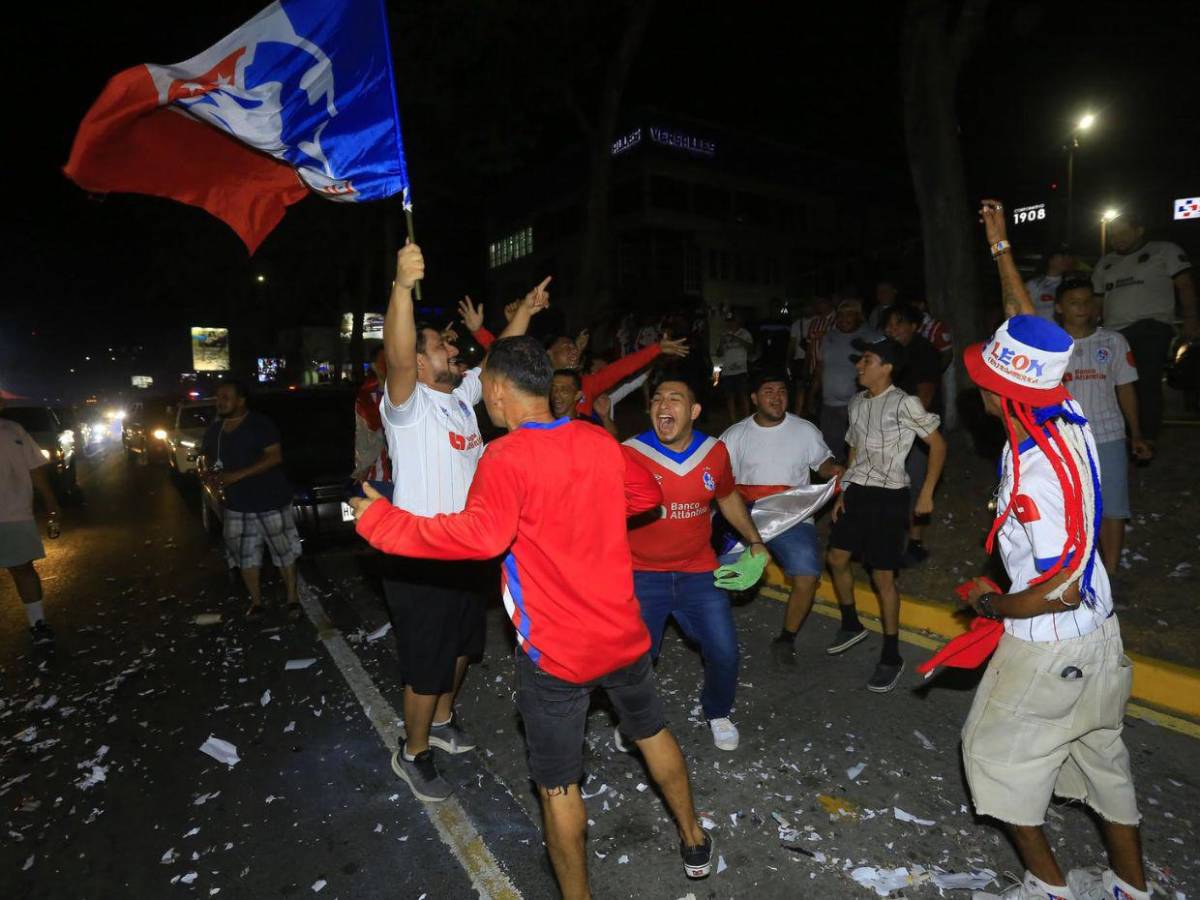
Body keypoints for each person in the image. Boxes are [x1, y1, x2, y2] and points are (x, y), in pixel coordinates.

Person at [350, 336, 714, 897]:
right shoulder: (596, 440)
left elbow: (478, 537)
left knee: (559, 787)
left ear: (497, 390)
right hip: (624, 636)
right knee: (651, 732)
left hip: (556, 658)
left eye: (485, 390)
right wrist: (584, 502)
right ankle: (694, 839)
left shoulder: (506, 455)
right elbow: (644, 496)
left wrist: (381, 522)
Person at [959, 200, 1148, 900]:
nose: (977, 388)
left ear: (1004, 393)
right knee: (1104, 760)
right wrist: (1002, 247)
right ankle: (1134, 890)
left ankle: (1050, 887)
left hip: (1051, 643)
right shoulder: (1060, 407)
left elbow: (1059, 586)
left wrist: (992, 601)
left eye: (984, 382)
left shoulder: (1038, 474)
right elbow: (1033, 331)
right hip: (1103, 636)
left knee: (989, 758)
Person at [375, 242, 547, 802]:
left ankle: (442, 723)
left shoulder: (460, 398)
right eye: (440, 345)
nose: (453, 347)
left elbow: (500, 361)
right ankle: (413, 751)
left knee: (460, 648)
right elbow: (398, 357)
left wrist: (526, 312)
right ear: (421, 364)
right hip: (419, 558)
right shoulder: (406, 405)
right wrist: (402, 287)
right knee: (426, 662)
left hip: (468, 552)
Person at [623, 373, 768, 751]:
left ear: (695, 411)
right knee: (636, 658)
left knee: (724, 650)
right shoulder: (629, 453)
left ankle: (718, 711)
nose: (663, 405)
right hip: (641, 574)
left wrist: (755, 541)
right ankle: (634, 721)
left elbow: (727, 497)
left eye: (675, 398)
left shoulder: (714, 452)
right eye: (657, 399)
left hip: (698, 571)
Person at [825, 335, 946, 692]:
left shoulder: (904, 403)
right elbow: (854, 449)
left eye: (867, 360)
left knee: (882, 578)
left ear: (887, 366)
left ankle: (891, 654)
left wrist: (926, 493)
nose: (859, 366)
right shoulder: (857, 403)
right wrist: (842, 492)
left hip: (889, 496)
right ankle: (851, 623)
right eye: (860, 360)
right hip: (858, 492)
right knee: (836, 557)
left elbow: (938, 445)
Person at [717, 372, 844, 660]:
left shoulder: (805, 430)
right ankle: (718, 637)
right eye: (768, 391)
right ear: (754, 398)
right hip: (745, 520)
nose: (776, 397)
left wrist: (832, 470)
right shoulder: (735, 435)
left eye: (782, 391)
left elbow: (823, 463)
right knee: (716, 577)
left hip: (792, 518)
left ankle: (786, 639)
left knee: (808, 576)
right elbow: (719, 482)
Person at [1055, 276, 1152, 576]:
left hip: (1108, 436)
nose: (1083, 307)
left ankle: (1108, 575)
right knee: (1070, 506)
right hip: (1066, 438)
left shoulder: (1113, 341)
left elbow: (1126, 389)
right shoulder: (1052, 346)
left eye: (1088, 301)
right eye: (1074, 302)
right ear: (1059, 308)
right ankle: (1076, 569)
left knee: (1112, 508)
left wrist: (1135, 433)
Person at [200, 380, 301, 621]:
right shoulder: (215, 430)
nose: (220, 402)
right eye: (218, 397)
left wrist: (237, 475)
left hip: (270, 501)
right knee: (244, 555)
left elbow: (274, 457)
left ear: (241, 400)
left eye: (226, 397)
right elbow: (207, 458)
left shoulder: (260, 424)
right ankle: (256, 602)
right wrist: (209, 475)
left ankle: (292, 599)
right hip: (236, 506)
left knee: (284, 551)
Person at [1092, 211, 1197, 443]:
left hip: (1151, 327)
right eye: (1113, 234)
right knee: (1115, 383)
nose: (1117, 238)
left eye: (1123, 232)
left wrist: (1191, 318)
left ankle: (1147, 437)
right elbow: (1097, 301)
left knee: (1146, 381)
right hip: (1113, 332)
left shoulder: (1165, 250)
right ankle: (1124, 433)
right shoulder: (1105, 262)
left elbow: (1185, 285)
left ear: (1139, 230)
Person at [883, 304, 945, 566]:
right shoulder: (892, 352)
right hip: (895, 428)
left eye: (898, 323)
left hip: (918, 433)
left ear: (914, 326)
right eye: (888, 324)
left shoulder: (923, 351)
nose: (891, 329)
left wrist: (906, 430)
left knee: (916, 486)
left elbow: (925, 395)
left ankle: (916, 543)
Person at [0, 402, 61, 646]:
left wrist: (52, 503)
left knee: (22, 569)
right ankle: (38, 625)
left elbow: (34, 469)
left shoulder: (13, 430)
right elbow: (35, 470)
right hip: (15, 514)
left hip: (14, 512)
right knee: (23, 569)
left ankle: (38, 623)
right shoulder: (13, 429)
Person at [543, 330, 689, 419]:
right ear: (549, 354)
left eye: (573, 347)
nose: (573, 350)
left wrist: (657, 349)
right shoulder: (537, 387)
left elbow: (621, 368)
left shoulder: (587, 384)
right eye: (566, 347)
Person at [808, 299, 879, 459]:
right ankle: (836, 482)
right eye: (840, 315)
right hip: (831, 404)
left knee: (863, 450)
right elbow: (820, 367)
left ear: (858, 316)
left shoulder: (871, 336)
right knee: (831, 452)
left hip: (862, 403)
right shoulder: (829, 337)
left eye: (849, 315)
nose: (844, 319)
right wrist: (812, 394)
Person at [353, 344, 390, 481]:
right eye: (385, 361)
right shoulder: (366, 398)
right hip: (380, 478)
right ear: (375, 366)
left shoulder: (410, 392)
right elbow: (365, 438)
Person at [716, 313, 755, 423]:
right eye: (728, 321)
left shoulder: (745, 333)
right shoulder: (724, 334)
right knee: (730, 397)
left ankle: (747, 420)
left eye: (733, 321)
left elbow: (751, 348)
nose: (730, 323)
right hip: (727, 371)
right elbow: (719, 353)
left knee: (743, 394)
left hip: (741, 370)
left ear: (738, 321)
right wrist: (722, 343)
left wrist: (736, 338)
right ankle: (733, 420)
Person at [1023, 246, 1077, 322]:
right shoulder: (1033, 284)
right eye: (1062, 256)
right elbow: (1024, 311)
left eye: (1068, 256)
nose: (1067, 259)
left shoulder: (1072, 284)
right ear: (1050, 259)